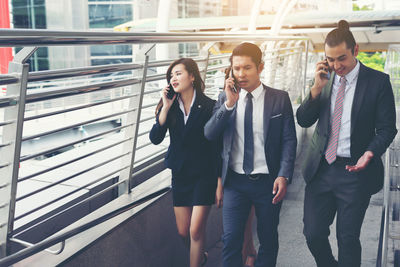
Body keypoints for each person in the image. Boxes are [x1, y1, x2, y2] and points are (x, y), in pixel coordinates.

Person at [296, 20, 397, 267]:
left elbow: (387, 128)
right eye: (330, 59)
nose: (336, 65)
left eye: (341, 58)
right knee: (313, 234)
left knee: (348, 239)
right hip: (321, 169)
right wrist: (315, 91)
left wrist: (370, 153)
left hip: (355, 171)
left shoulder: (378, 82)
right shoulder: (323, 79)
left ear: (356, 50)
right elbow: (303, 119)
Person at [204, 42, 297, 267]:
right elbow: (209, 134)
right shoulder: (224, 98)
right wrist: (228, 104)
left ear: (260, 67)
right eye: (236, 68)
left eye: (247, 68)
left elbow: (289, 140)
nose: (241, 74)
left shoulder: (279, 98)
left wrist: (283, 175)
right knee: (230, 240)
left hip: (268, 182)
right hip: (235, 182)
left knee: (268, 239)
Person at [149, 58, 218, 267]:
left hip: (204, 175)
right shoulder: (169, 107)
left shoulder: (209, 106)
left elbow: (217, 147)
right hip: (180, 174)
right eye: (171, 76)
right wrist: (165, 108)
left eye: (178, 73)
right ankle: (200, 257)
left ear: (192, 76)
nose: (173, 78)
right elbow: (155, 138)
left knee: (196, 230)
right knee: (183, 231)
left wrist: (219, 180)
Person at [214, 67, 257, 267]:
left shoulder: (254, 98)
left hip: (253, 174)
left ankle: (249, 254)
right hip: (230, 176)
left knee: (246, 223)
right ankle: (248, 254)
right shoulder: (223, 100)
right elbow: (217, 144)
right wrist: (219, 183)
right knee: (234, 231)